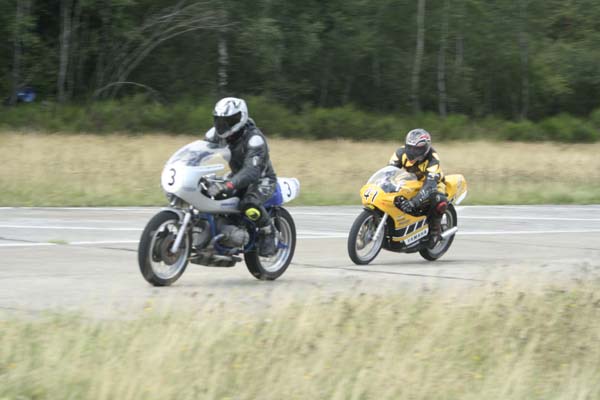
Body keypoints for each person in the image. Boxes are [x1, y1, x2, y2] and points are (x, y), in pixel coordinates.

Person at [204, 97, 278, 257]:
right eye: (220, 120)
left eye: (229, 120)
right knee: (209, 194)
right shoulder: (215, 135)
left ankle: (268, 231)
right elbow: (200, 153)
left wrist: (230, 184)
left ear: (241, 118)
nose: (223, 125)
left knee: (249, 204)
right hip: (236, 176)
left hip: (261, 179)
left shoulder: (254, 139)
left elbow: (252, 171)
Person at [389, 128, 448, 247]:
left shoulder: (433, 158)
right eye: (409, 147)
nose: (412, 152)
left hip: (433, 182)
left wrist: (414, 202)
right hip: (411, 180)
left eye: (417, 149)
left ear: (425, 148)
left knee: (438, 199)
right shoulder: (400, 153)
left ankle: (435, 232)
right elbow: (389, 171)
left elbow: (430, 185)